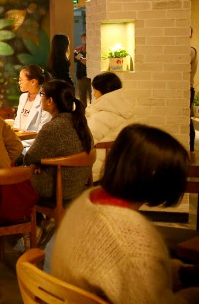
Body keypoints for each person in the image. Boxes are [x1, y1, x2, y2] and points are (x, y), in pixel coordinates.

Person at [52, 124, 199, 304]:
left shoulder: (88, 199)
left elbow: (127, 272)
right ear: (155, 175)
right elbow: (137, 269)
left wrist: (182, 273)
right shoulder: (132, 243)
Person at [22, 79, 92, 202]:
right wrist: (41, 162)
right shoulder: (80, 123)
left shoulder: (52, 127)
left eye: (42, 94)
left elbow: (28, 158)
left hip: (56, 188)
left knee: (15, 178)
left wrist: (39, 163)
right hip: (78, 186)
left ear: (50, 101)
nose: (40, 98)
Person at [85, 72, 134, 181]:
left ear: (104, 92)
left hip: (97, 169)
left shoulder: (103, 116)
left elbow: (85, 140)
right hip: (117, 165)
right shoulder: (125, 111)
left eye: (95, 91)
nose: (94, 95)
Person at [13, 65, 51, 151]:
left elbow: (42, 133)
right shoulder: (23, 97)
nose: (19, 82)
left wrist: (18, 144)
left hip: (35, 147)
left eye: (21, 80)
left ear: (33, 82)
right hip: (19, 143)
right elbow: (17, 124)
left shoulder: (45, 100)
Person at [74, 32, 90, 107]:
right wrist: (81, 58)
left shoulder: (92, 49)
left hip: (90, 77)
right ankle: (83, 111)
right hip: (81, 76)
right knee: (82, 97)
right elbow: (75, 57)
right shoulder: (78, 49)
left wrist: (82, 59)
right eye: (83, 39)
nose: (84, 41)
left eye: (86, 39)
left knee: (92, 96)